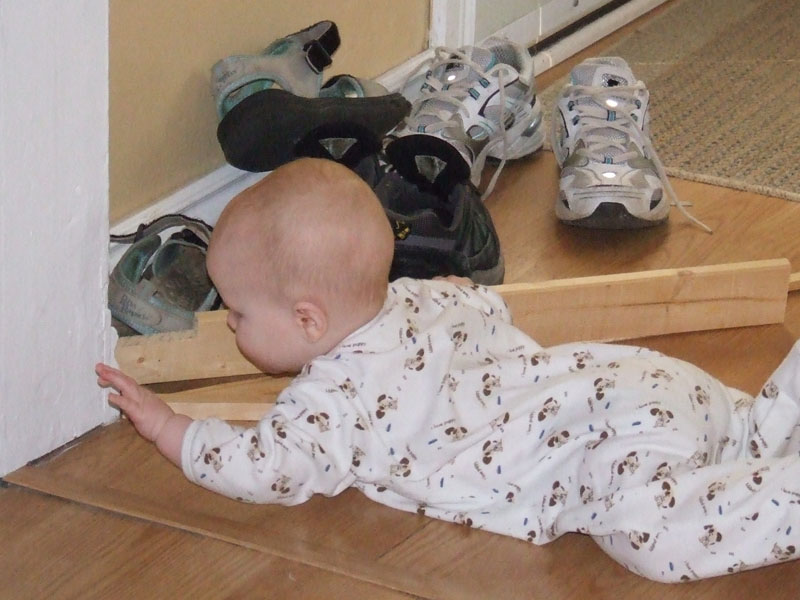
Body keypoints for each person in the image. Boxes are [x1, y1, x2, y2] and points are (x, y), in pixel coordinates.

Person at [96, 157, 800, 583]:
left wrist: (171, 429)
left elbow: (266, 468)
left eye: (240, 312)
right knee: (749, 433)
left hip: (597, 453)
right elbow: (483, 304)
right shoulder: (419, 298)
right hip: (638, 381)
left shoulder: (334, 402)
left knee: (651, 534)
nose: (231, 323)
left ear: (308, 320)